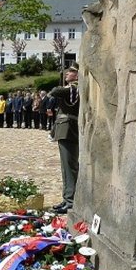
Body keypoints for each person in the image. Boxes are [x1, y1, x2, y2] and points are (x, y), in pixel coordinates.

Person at [49, 66, 80, 214]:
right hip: (64, 129)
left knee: (69, 166)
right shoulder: (70, 89)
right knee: (65, 167)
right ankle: (67, 197)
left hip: (69, 130)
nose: (67, 73)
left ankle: (71, 200)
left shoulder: (74, 89)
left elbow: (55, 91)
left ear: (78, 75)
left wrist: (64, 83)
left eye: (71, 72)